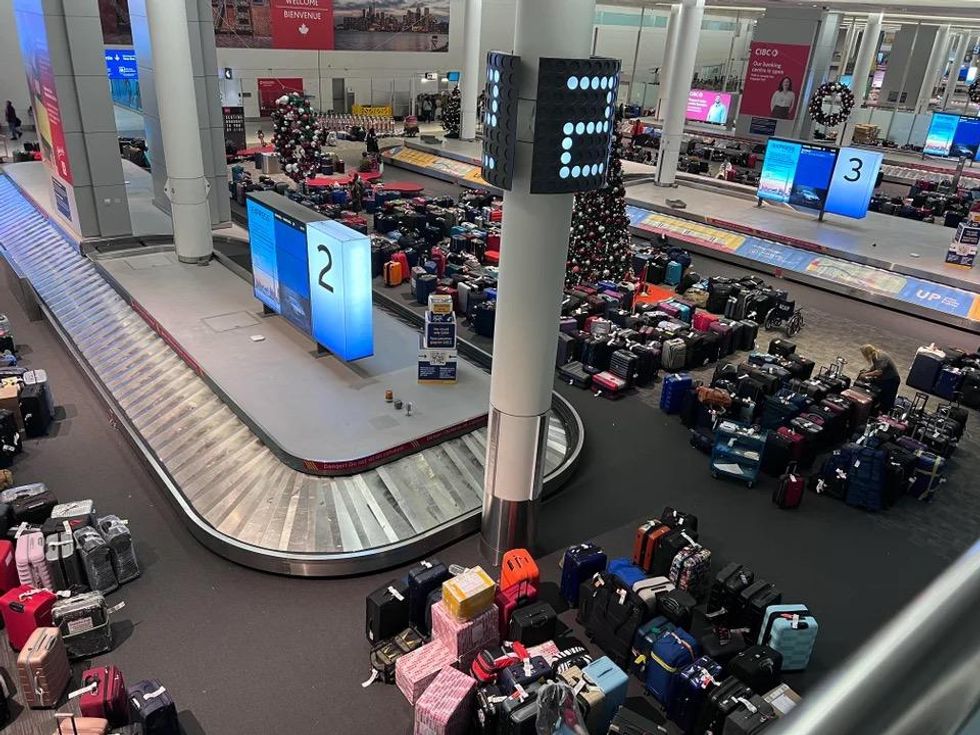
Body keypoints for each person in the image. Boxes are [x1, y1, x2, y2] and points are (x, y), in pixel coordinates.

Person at [858, 344, 901, 413]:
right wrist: (866, 372)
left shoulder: (880, 357)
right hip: (885, 379)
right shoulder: (876, 355)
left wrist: (866, 374)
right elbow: (875, 367)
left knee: (886, 401)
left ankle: (884, 414)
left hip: (891, 380)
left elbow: (879, 372)